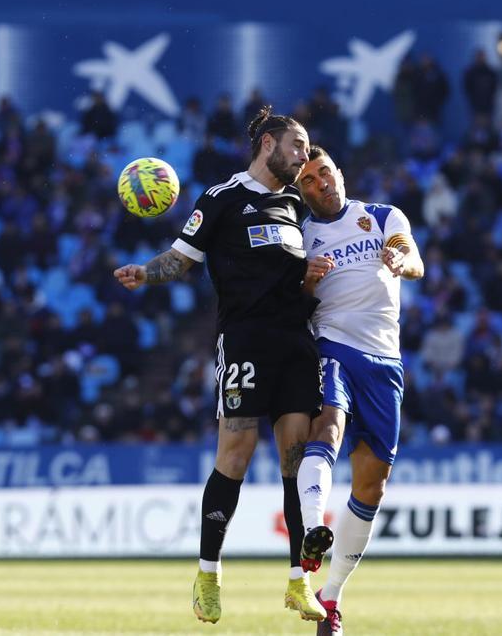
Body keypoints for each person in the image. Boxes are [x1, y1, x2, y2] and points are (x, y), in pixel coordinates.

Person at [113, 107, 327, 625]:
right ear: (268, 144)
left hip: (297, 342)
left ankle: (299, 583)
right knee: (235, 452)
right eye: (298, 146)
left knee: (295, 460)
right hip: (247, 340)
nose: (304, 156)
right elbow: (182, 258)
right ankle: (208, 574)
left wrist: (313, 278)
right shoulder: (222, 198)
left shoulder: (297, 203)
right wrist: (146, 272)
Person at [294, 145, 425, 635]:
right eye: (307, 180)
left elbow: (414, 260)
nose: (319, 184)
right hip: (333, 345)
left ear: (339, 173)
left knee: (372, 484)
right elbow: (289, 304)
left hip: (385, 362)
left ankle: (331, 599)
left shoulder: (382, 215)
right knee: (327, 426)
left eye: (323, 173)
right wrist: (303, 284)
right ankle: (311, 530)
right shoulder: (301, 236)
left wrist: (399, 258)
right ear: (301, 190)